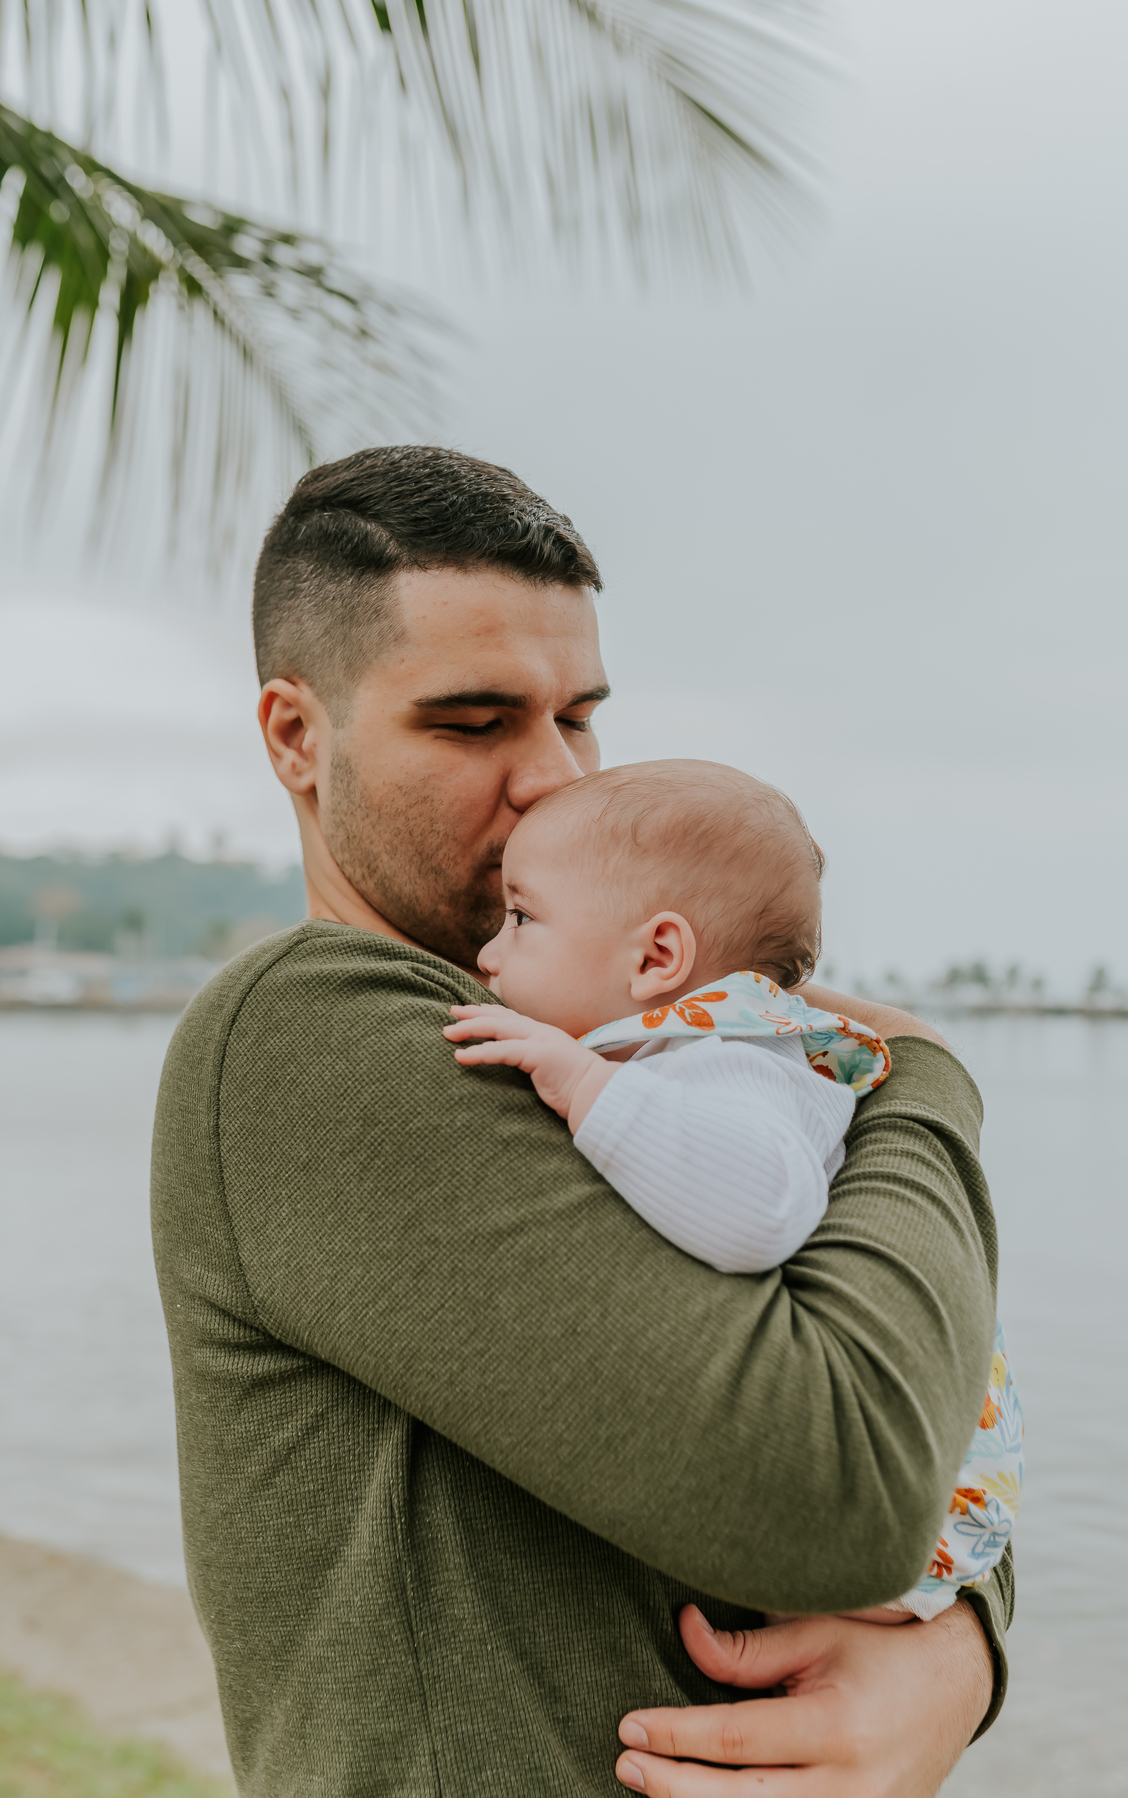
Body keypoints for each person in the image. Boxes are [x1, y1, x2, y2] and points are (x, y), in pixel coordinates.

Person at [151, 445, 1012, 1798]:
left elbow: (929, 1387)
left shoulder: (621, 1043)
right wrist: (917, 1076)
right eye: (474, 721)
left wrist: (961, 1642)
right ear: (294, 736)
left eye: (580, 716)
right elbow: (848, 1482)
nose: (555, 778)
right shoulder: (315, 1030)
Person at [444, 757, 1023, 1628]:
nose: (489, 952)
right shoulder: (703, 1045)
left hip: (911, 1515)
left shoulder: (735, 1061)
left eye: (522, 918)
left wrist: (583, 1085)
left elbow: (759, 1214)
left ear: (658, 956)